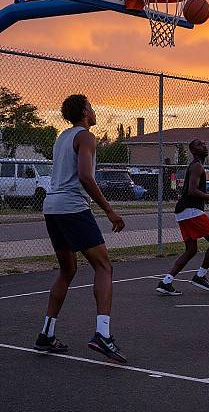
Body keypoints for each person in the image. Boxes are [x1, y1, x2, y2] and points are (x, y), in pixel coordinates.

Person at [34, 95, 127, 363]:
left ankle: (46, 334)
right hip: (72, 207)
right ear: (86, 111)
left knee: (68, 269)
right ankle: (102, 334)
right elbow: (85, 176)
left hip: (51, 206)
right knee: (104, 267)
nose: (95, 111)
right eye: (93, 107)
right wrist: (109, 210)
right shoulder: (85, 136)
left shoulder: (62, 136)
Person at [156, 139, 209, 295]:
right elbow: (192, 191)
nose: (203, 146)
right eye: (199, 145)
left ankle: (166, 282)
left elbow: (193, 193)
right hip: (190, 210)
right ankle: (200, 276)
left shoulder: (197, 166)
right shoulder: (197, 166)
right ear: (193, 151)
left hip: (183, 211)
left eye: (204, 144)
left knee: (191, 249)